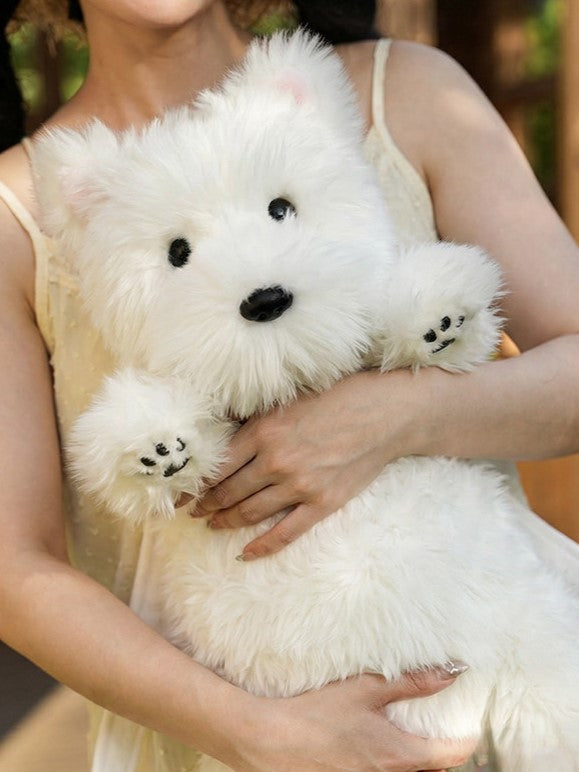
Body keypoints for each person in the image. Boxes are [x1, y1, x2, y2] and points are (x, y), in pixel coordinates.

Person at [0, 1, 577, 770]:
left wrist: (399, 417)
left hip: (500, 677)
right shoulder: (21, 212)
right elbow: (14, 567)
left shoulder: (401, 95)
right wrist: (256, 733)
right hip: (218, 740)